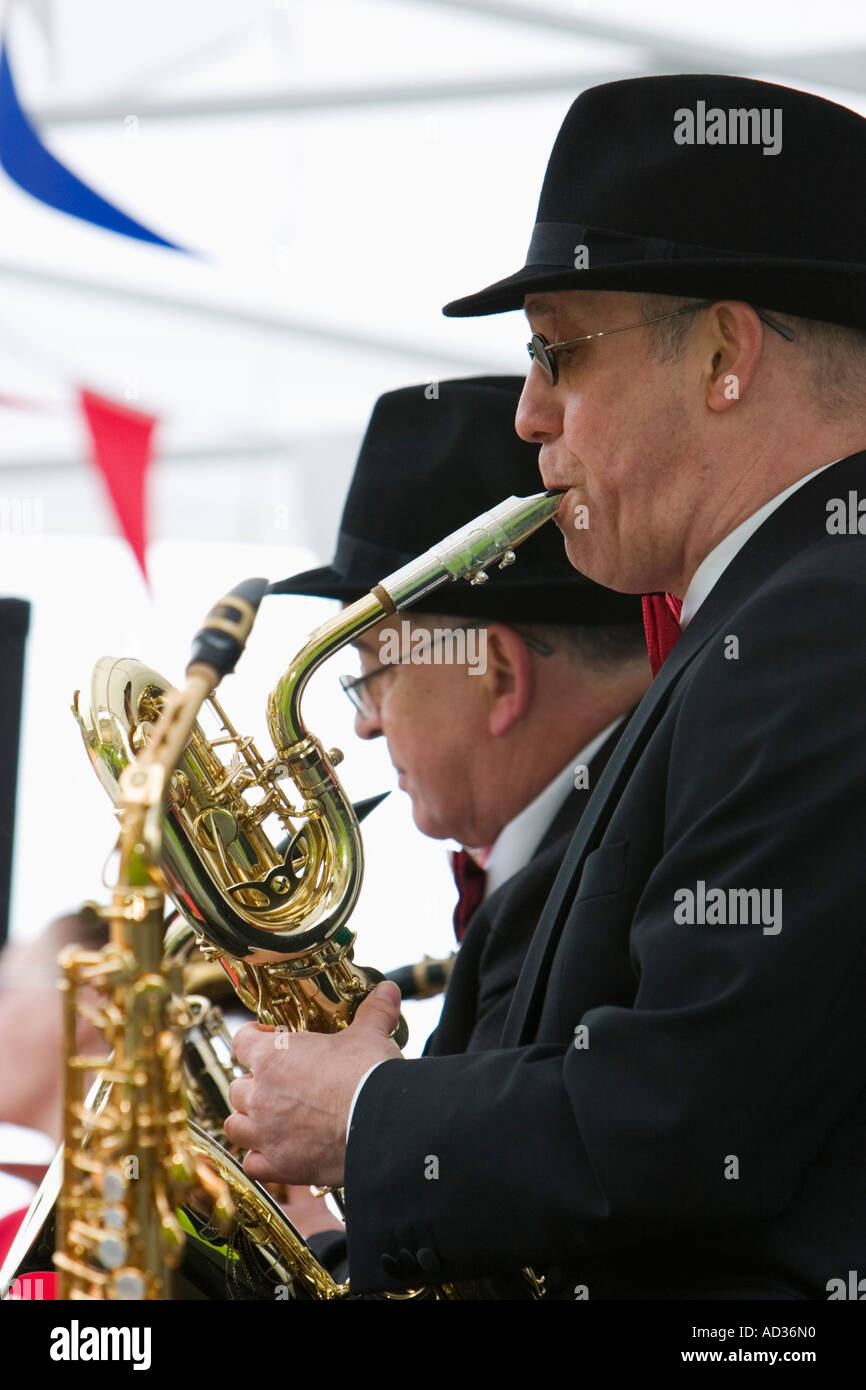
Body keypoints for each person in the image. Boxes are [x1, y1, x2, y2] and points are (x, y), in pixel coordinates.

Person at [225, 73, 866, 1300]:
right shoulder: (785, 606)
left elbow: (677, 1118)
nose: (527, 414)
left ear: (724, 355)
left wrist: (363, 1111)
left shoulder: (817, 617)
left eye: (557, 352)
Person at [268, 375, 648, 1246]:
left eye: (375, 667)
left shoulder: (596, 874)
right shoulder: (587, 850)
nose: (362, 722)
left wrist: (310, 1225)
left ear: (501, 676)